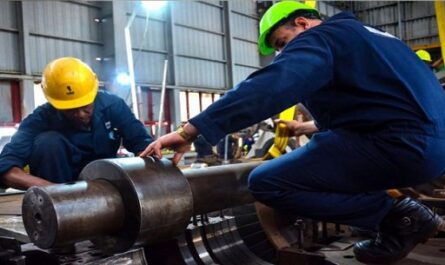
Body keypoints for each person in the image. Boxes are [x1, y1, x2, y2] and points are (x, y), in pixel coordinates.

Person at [140, 1, 445, 263]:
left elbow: (270, 86)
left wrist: (192, 129)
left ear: (302, 23)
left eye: (282, 43)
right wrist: (310, 128)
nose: (282, 53)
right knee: (325, 153)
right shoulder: (373, 38)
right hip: (429, 149)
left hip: (401, 146)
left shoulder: (322, 37)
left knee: (267, 181)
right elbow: (371, 106)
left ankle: (397, 217)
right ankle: (385, 218)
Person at [0, 57, 153, 190]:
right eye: (70, 109)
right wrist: (55, 191)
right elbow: (6, 168)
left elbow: (142, 144)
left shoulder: (113, 106)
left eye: (85, 106)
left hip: (107, 182)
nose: (80, 114)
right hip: (59, 191)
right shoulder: (40, 119)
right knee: (48, 142)